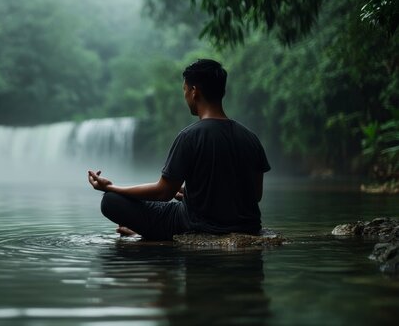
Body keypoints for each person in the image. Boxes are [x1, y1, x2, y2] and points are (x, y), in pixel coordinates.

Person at [87, 59, 271, 241]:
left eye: (184, 90)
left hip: (193, 224)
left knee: (111, 201)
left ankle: (141, 233)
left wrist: (111, 187)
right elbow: (255, 195)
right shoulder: (251, 138)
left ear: (194, 92)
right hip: (248, 226)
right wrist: (193, 194)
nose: (185, 97)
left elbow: (163, 193)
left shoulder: (190, 136)